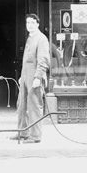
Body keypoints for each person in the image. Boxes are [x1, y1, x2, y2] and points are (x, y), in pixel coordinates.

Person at [11, 13, 50, 143]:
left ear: (38, 24)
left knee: (34, 105)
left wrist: (38, 77)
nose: (30, 25)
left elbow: (43, 60)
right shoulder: (30, 38)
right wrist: (22, 76)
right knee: (21, 104)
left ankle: (35, 136)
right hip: (26, 75)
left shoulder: (41, 39)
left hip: (35, 75)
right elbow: (26, 60)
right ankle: (23, 132)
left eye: (33, 22)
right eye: (28, 23)